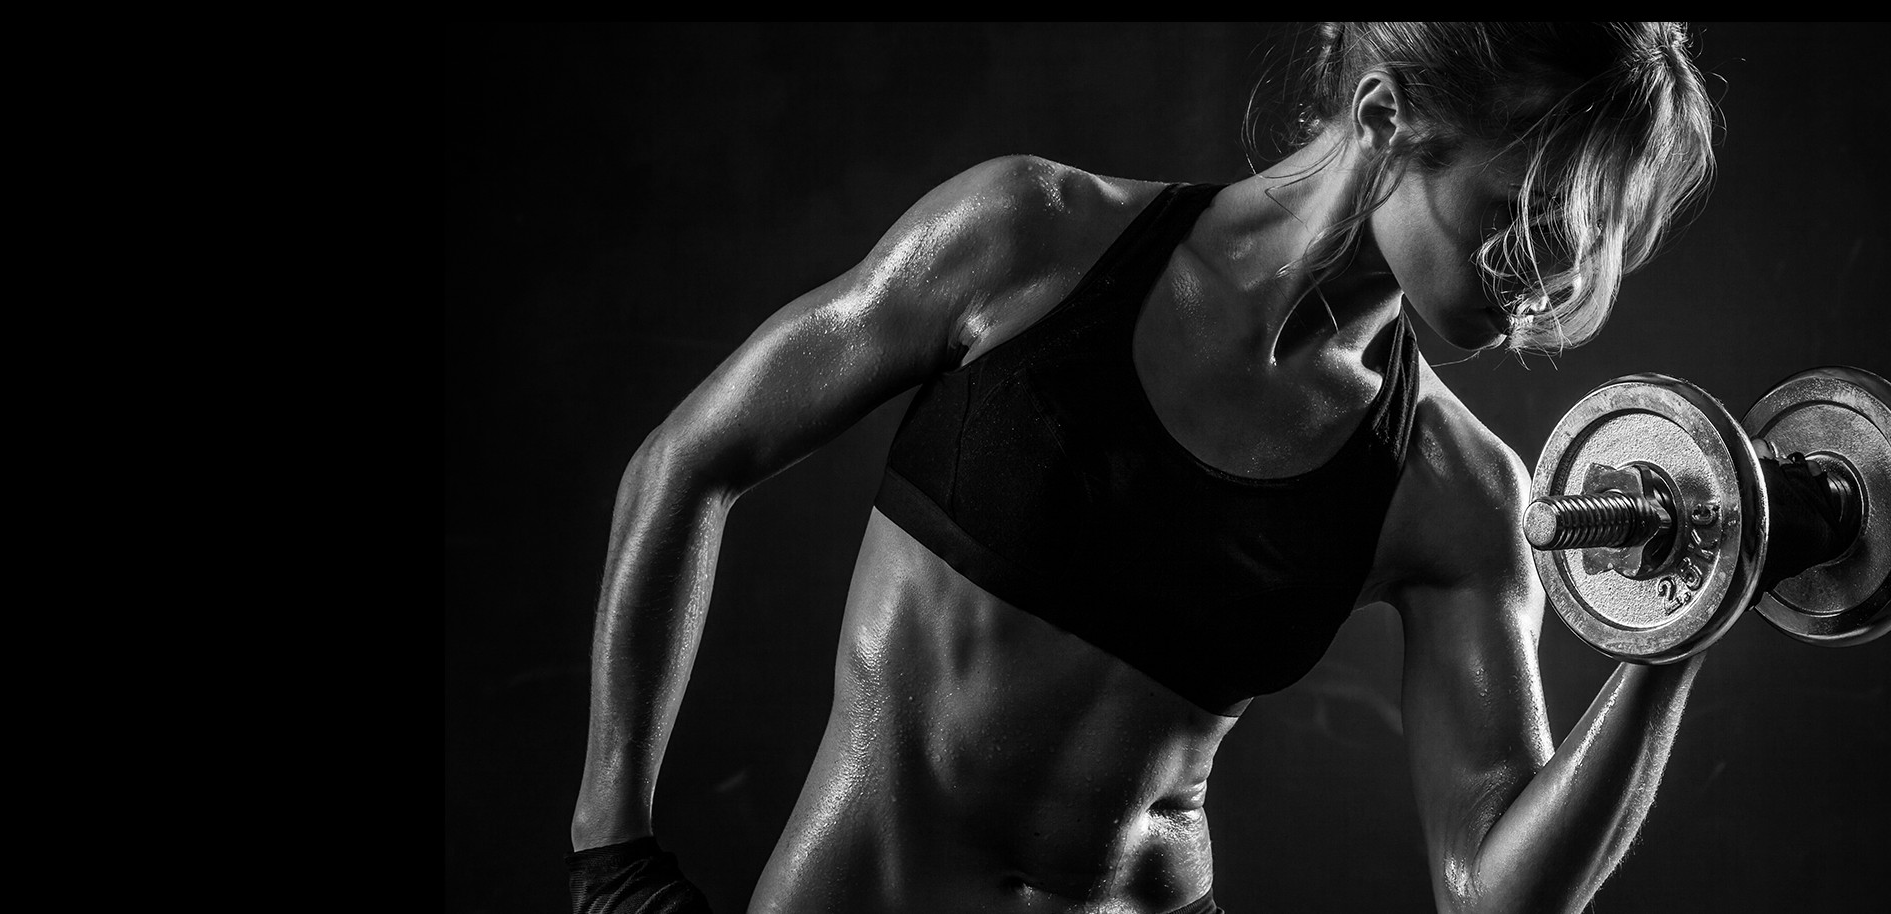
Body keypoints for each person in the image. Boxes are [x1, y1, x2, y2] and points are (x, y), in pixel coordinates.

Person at [569, 21, 1717, 914]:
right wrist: (610, 849)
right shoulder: (1028, 239)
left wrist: (1680, 625)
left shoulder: (1455, 491)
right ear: (1384, 116)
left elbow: (1491, 889)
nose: (1551, 276)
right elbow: (689, 460)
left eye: (1580, 238)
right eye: (1521, 211)